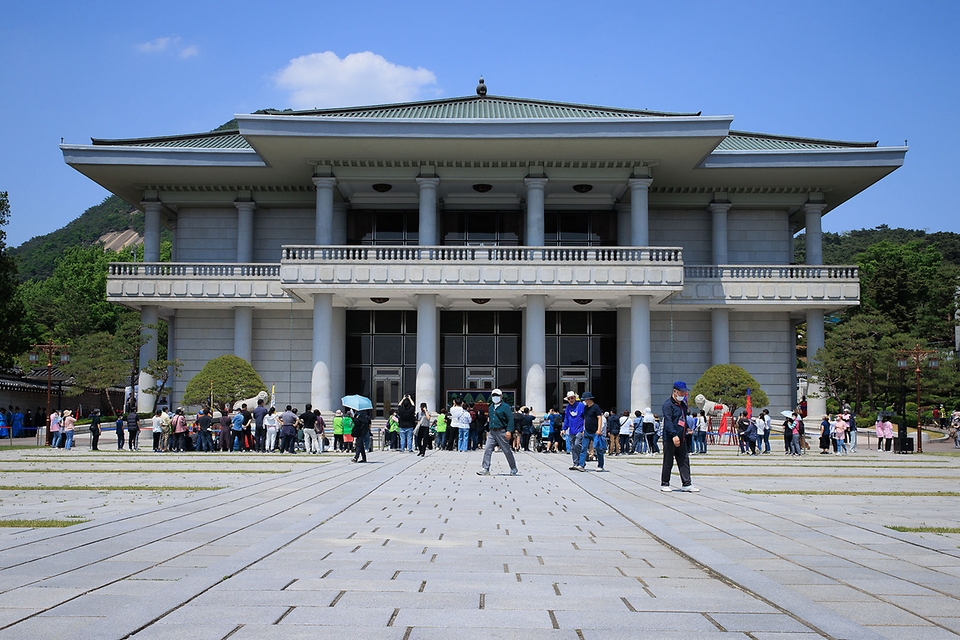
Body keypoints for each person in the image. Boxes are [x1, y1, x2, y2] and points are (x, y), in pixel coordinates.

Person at [660, 381, 699, 492]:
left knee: (684, 460)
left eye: (684, 392)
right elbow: (668, 421)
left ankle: (686, 483)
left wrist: (687, 429)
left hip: (682, 437)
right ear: (675, 391)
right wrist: (673, 435)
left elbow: (683, 419)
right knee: (668, 461)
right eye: (681, 392)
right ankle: (665, 483)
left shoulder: (683, 405)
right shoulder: (668, 405)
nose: (683, 395)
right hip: (670, 438)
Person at [477, 388, 518, 476]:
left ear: (501, 396)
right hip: (492, 431)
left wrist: (509, 431)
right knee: (487, 449)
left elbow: (510, 419)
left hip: (502, 431)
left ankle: (513, 468)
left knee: (506, 450)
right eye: (494, 395)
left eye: (497, 395)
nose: (495, 397)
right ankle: (485, 468)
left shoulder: (505, 407)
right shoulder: (491, 407)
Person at [576, 392, 605, 472]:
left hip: (595, 431)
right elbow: (585, 418)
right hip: (587, 431)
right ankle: (581, 465)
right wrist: (584, 428)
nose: (585, 401)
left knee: (598, 448)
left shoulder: (596, 407)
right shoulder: (585, 408)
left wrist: (599, 429)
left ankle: (600, 465)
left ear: (588, 399)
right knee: (583, 448)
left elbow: (599, 418)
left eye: (585, 400)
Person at [563, 391, 585, 471]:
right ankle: (575, 463)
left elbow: (585, 417)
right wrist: (564, 428)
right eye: (569, 399)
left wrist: (584, 428)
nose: (571, 400)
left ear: (575, 398)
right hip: (571, 429)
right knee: (572, 447)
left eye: (572, 398)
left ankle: (581, 462)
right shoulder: (568, 407)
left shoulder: (581, 406)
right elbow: (566, 419)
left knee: (577, 445)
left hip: (580, 429)